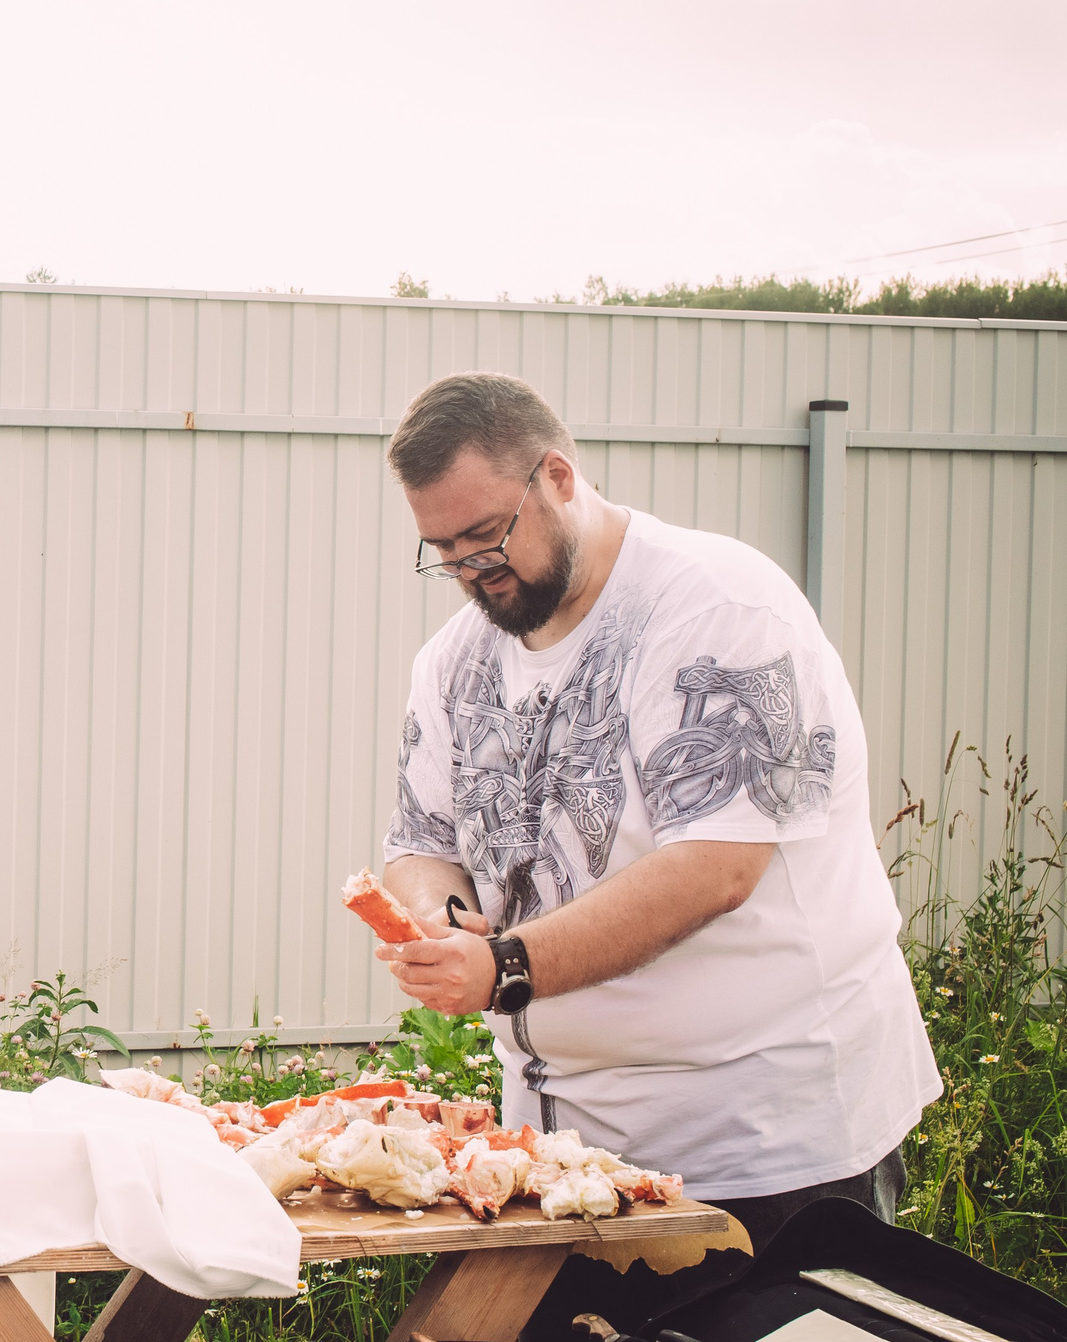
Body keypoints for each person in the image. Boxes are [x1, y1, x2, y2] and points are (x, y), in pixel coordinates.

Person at [371, 371, 939, 1248]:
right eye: (443, 549)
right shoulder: (453, 660)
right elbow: (421, 840)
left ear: (558, 477)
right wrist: (443, 918)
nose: (469, 570)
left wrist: (507, 966)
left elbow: (716, 869)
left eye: (486, 536)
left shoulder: (717, 607)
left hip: (768, 1146)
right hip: (560, 1152)